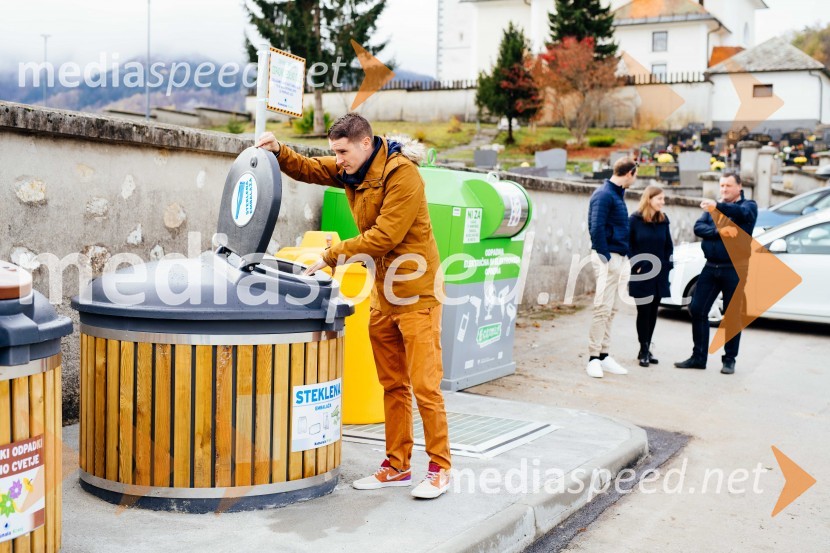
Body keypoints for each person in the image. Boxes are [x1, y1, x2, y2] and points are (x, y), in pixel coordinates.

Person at [256, 113, 452, 499]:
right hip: (383, 295)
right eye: (335, 152)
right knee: (392, 385)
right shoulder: (354, 170)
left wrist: (331, 255)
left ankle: (440, 468)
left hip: (417, 295)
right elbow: (310, 168)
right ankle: (397, 465)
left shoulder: (403, 175)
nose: (338, 159)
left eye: (342, 151)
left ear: (366, 143)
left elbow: (385, 235)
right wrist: (279, 151)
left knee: (426, 387)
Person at [674, 172, 757, 374]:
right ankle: (698, 357)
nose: (724, 190)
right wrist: (719, 232)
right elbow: (698, 227)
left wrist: (716, 208)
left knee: (732, 315)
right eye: (721, 186)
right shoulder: (715, 207)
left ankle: (729, 360)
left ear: (739, 187)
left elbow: (742, 215)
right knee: (697, 308)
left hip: (735, 268)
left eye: (728, 186)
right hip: (711, 266)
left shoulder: (748, 206)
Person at [586, 157, 638, 379]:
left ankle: (604, 355)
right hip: (608, 258)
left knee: (612, 309)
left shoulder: (616, 194)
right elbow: (595, 226)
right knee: (602, 309)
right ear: (629, 173)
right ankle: (592, 358)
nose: (635, 179)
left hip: (620, 257)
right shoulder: (604, 194)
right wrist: (605, 257)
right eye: (636, 175)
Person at [628, 185, 674, 367]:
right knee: (644, 312)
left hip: (660, 273)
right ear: (649, 199)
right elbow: (628, 244)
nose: (663, 202)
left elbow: (668, 245)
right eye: (659, 199)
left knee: (654, 312)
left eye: (663, 199)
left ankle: (645, 349)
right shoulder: (635, 220)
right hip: (642, 273)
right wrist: (636, 264)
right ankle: (644, 348)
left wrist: (668, 265)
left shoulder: (664, 219)